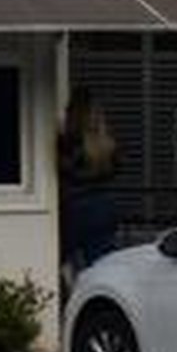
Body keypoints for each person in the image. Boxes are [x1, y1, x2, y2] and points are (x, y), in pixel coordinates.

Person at [55, 91, 121, 281]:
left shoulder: (68, 141)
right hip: (104, 206)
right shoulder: (107, 143)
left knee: (48, 259)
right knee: (101, 266)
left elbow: (64, 170)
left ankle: (64, 304)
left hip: (76, 208)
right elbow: (116, 170)